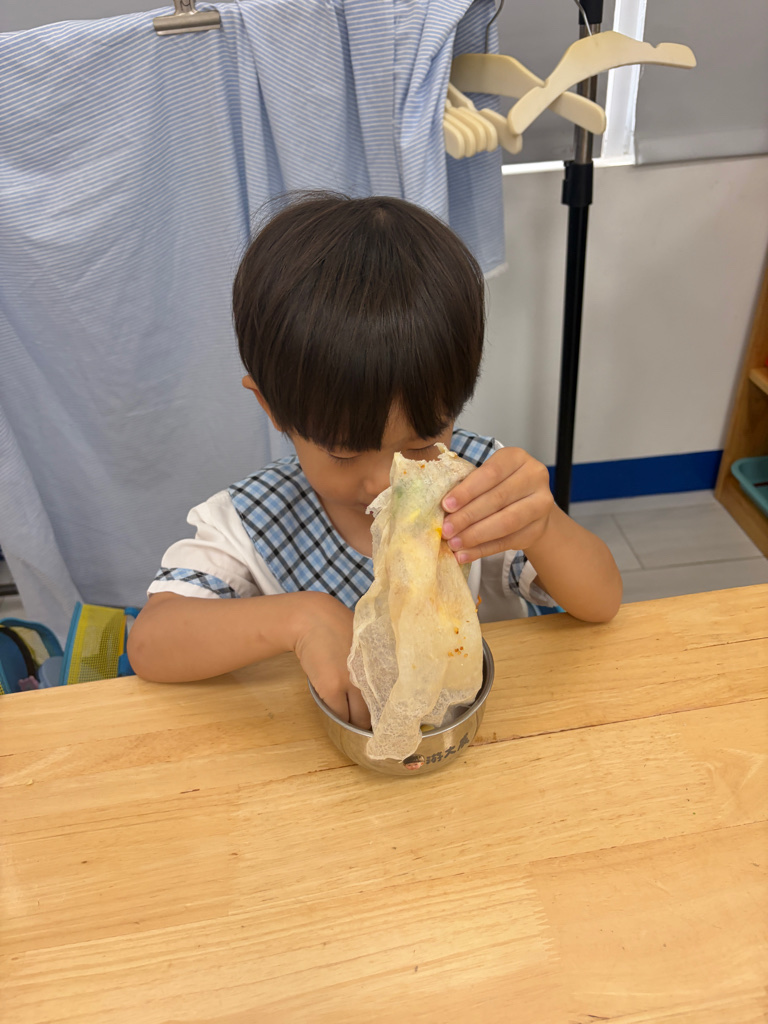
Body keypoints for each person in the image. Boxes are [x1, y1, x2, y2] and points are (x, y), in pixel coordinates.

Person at [127, 192, 622, 728]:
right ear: (271, 407)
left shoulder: (478, 485)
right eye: (344, 452)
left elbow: (602, 603)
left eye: (421, 443)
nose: (388, 479)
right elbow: (151, 643)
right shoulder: (250, 521)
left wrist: (543, 526)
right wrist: (302, 618)